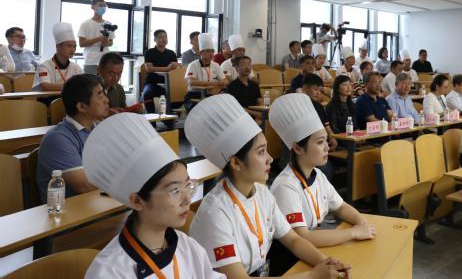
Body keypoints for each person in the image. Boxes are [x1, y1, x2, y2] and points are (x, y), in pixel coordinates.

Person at [185, 95, 351, 278]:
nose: (270, 158)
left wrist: (326, 263)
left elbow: (293, 239)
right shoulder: (215, 213)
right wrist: (312, 276)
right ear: (236, 163)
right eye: (261, 152)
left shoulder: (262, 193)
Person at [83, 113, 221, 278]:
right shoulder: (109, 272)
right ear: (137, 201)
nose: (187, 199)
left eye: (187, 186)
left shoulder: (188, 247)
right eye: (175, 190)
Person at [269, 93, 375, 274]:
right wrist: (354, 232)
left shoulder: (317, 175)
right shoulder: (285, 186)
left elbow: (341, 207)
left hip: (315, 252)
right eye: (319, 142)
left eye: (325, 140)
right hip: (291, 263)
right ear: (297, 148)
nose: (327, 147)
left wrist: (361, 222)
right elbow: (303, 237)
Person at [36, 74, 109, 202]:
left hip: (100, 202)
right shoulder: (57, 139)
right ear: (81, 107)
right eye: (100, 95)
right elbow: (85, 185)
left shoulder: (100, 129)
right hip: (69, 211)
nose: (106, 100)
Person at [33, 23, 83, 91]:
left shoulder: (76, 67)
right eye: (69, 46)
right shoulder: (44, 66)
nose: (72, 50)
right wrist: (71, 86)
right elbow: (45, 86)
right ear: (58, 46)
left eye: (74, 47)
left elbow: (83, 84)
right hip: (49, 97)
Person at [184, 33, 226, 112]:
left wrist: (216, 84)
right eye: (208, 51)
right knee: (201, 111)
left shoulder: (216, 65)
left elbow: (224, 81)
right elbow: (191, 82)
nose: (211, 54)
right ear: (201, 53)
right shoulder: (193, 65)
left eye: (212, 51)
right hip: (194, 95)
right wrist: (213, 83)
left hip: (211, 95)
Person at [143, 29, 179, 113]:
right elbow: (149, 69)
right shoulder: (149, 52)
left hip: (168, 84)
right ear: (155, 40)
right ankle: (151, 117)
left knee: (179, 94)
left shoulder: (171, 53)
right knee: (147, 93)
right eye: (160, 37)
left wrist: (176, 66)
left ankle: (168, 114)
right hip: (153, 83)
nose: (164, 39)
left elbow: (175, 69)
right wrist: (167, 68)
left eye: (165, 37)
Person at [78, 0, 114, 74]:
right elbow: (81, 43)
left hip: (105, 61)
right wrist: (99, 39)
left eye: (104, 6)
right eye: (100, 5)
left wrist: (106, 42)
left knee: (104, 81)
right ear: (92, 7)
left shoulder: (109, 24)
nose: (103, 8)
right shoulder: (85, 24)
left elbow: (111, 43)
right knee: (90, 81)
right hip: (91, 62)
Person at [225, 55, 264, 121]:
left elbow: (260, 101)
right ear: (236, 68)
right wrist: (256, 114)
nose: (247, 67)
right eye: (244, 64)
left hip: (256, 115)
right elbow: (234, 107)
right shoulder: (232, 86)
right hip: (240, 116)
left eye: (249, 64)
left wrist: (262, 112)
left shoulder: (254, 84)